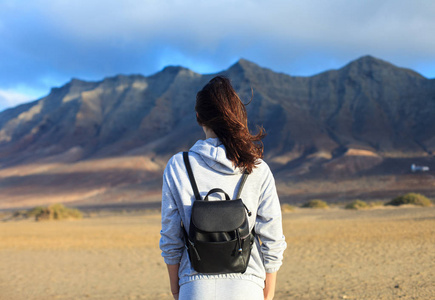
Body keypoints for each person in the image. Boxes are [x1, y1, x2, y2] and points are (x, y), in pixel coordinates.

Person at [159, 76, 286, 300]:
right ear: (236, 115)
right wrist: (269, 289)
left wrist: (177, 288)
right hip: (248, 286)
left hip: (194, 286)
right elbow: (272, 236)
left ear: (199, 117)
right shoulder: (257, 168)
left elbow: (171, 236)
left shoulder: (179, 165)